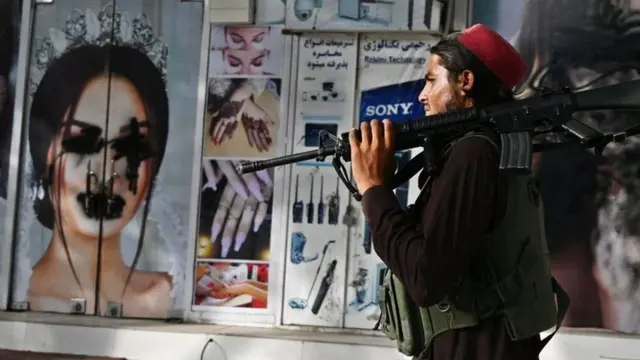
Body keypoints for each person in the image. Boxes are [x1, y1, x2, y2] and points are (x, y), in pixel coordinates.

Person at [349, 24, 564, 360]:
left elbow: (425, 279)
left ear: (465, 82)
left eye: (432, 80)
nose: (422, 95)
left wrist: (374, 191)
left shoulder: (474, 153)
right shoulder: (490, 147)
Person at [27, 44, 171, 318]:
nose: (106, 173)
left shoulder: (176, 297)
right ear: (44, 154)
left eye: (131, 146)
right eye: (82, 143)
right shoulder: (13, 296)